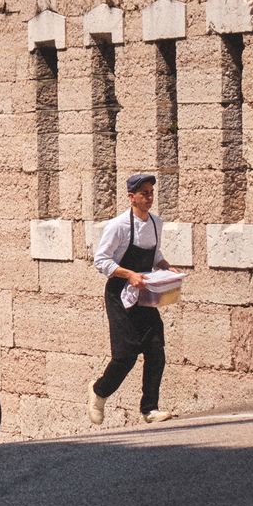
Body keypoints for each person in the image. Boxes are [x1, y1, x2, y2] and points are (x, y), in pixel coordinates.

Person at [88, 173, 177, 425]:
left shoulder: (156, 223)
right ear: (131, 197)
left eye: (151, 193)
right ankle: (98, 392)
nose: (149, 198)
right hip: (119, 294)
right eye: (144, 193)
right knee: (125, 355)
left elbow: (155, 253)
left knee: (155, 348)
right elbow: (101, 260)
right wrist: (128, 274)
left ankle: (150, 408)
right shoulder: (118, 226)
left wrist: (165, 265)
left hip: (144, 292)